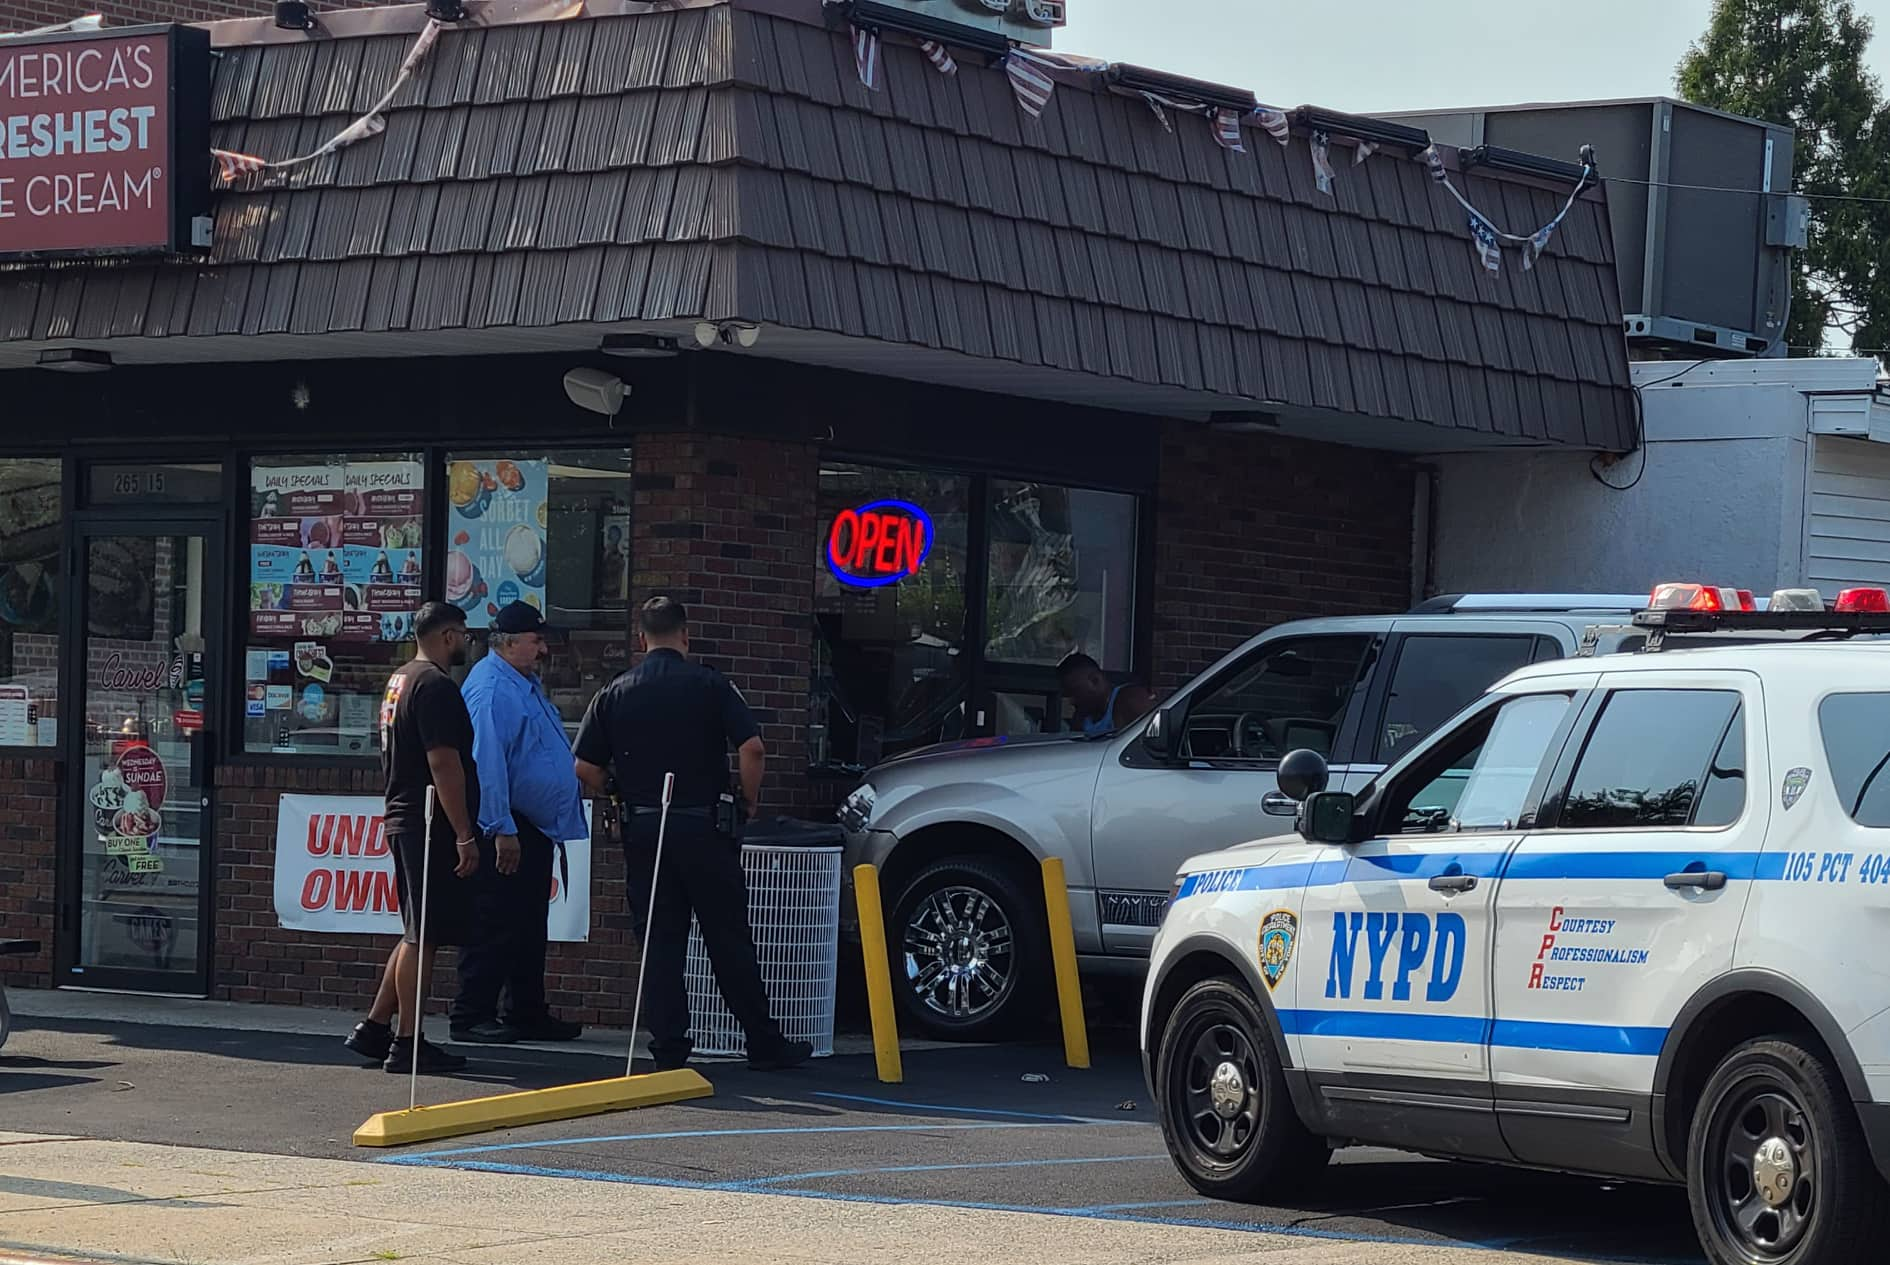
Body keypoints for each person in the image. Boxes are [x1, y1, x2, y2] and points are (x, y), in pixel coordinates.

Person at [573, 596, 813, 1073]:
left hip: (645, 828)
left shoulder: (616, 690)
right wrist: (748, 801)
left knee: (660, 944)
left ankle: (669, 1051)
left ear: (640, 639)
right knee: (728, 939)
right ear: (685, 635)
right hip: (704, 827)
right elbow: (754, 749)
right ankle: (763, 1042)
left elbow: (584, 765)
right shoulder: (710, 685)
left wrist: (618, 792)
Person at [345, 601, 482, 1074]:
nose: (467, 642)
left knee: (416, 931)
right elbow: (444, 763)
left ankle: (376, 1026)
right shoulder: (436, 687)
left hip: (406, 815)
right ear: (447, 636)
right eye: (463, 633)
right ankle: (408, 1043)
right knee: (422, 936)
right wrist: (464, 832)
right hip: (429, 823)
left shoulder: (400, 679)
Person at [451, 602, 588, 1045]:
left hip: (530, 824)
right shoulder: (492, 690)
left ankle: (526, 1010)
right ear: (508, 643)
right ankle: (471, 1014)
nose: (543, 649)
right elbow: (487, 763)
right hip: (505, 825)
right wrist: (500, 827)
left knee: (528, 922)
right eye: (536, 640)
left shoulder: (521, 683)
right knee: (495, 920)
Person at [1057, 651, 1155, 736]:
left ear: (1095, 681)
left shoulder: (1130, 699)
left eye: (1075, 692)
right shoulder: (1081, 718)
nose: (1072, 701)